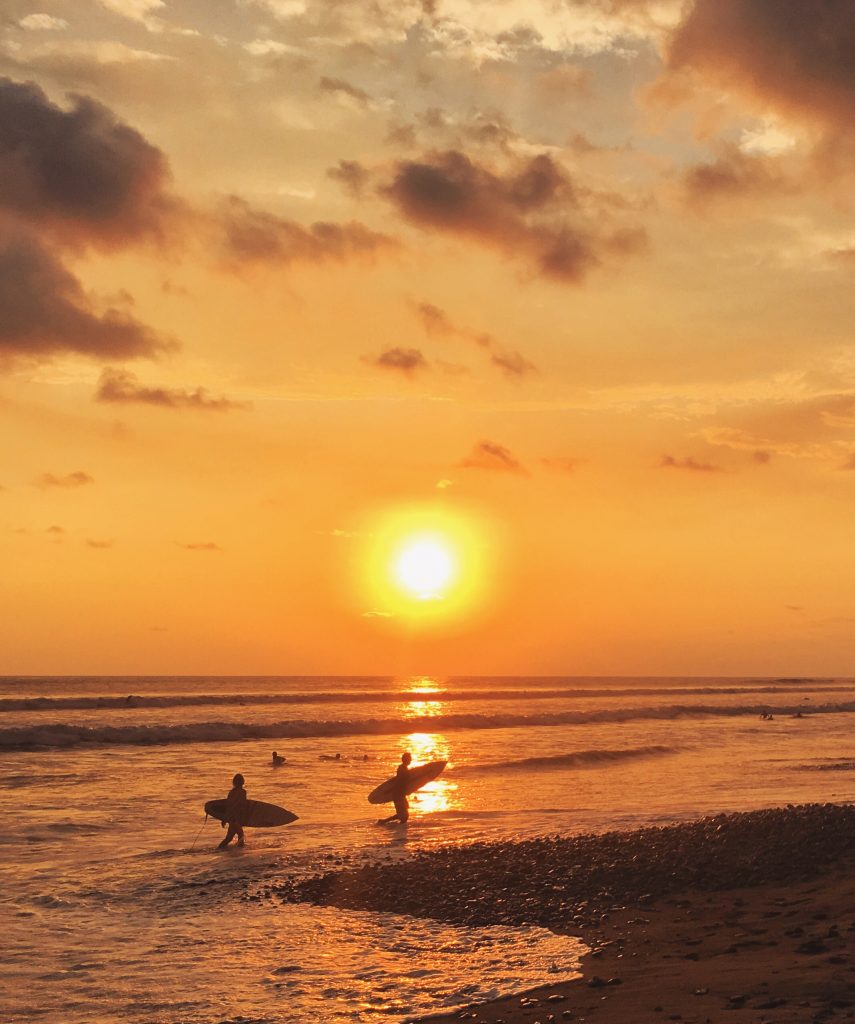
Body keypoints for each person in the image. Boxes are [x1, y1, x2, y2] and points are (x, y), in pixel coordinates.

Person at [379, 751, 412, 825]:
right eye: (410, 759)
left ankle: (383, 822)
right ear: (406, 760)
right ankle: (399, 831)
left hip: (400, 794)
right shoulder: (402, 768)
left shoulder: (403, 768)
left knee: (403, 815)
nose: (411, 760)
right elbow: (400, 782)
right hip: (398, 794)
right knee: (404, 816)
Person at [218, 773, 247, 849]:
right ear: (242, 782)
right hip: (236, 818)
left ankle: (218, 850)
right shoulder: (243, 792)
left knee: (229, 838)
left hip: (231, 817)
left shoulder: (231, 792)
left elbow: (228, 805)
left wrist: (224, 818)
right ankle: (240, 854)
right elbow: (242, 805)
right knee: (241, 836)